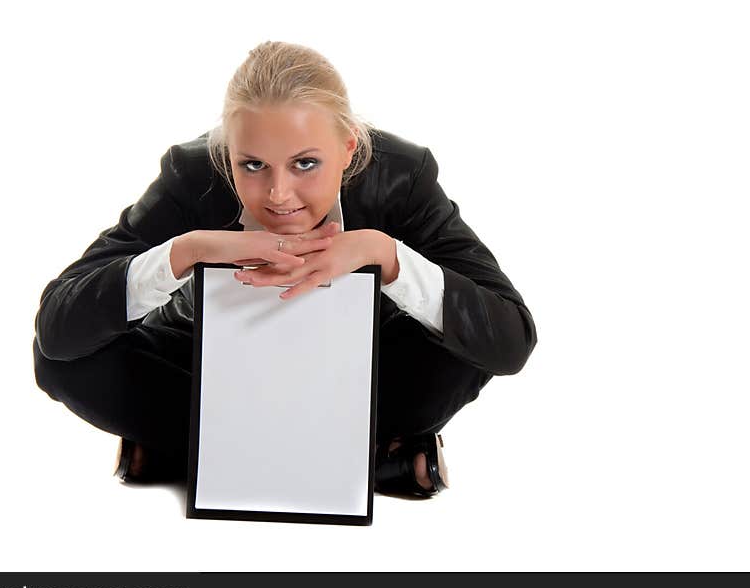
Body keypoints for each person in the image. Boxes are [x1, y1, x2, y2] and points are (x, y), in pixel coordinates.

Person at [32, 40, 537, 499]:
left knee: (468, 337)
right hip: (212, 371)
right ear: (226, 154)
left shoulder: (403, 177)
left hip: (359, 373)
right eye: (251, 165)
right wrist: (182, 252)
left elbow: (510, 337)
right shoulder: (190, 175)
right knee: (62, 359)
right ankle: (370, 454)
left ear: (349, 149)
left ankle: (196, 452)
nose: (278, 195)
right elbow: (57, 329)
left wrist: (388, 257)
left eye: (305, 164)